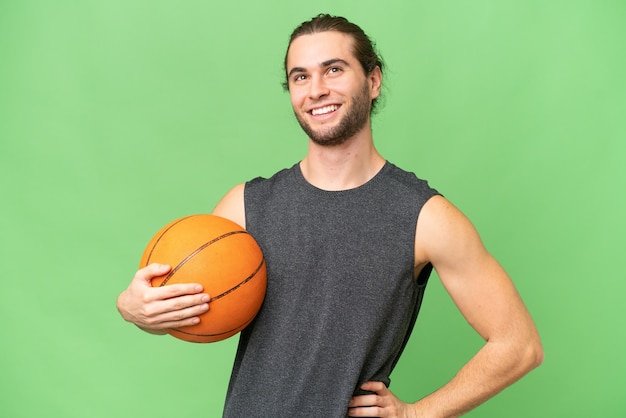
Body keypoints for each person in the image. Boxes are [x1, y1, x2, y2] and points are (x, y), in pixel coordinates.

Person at [117, 14, 543, 417]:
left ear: (373, 81)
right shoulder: (246, 206)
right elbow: (187, 309)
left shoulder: (425, 217)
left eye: (334, 69)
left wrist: (419, 413)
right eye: (300, 76)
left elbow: (519, 345)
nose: (315, 89)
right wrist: (133, 308)